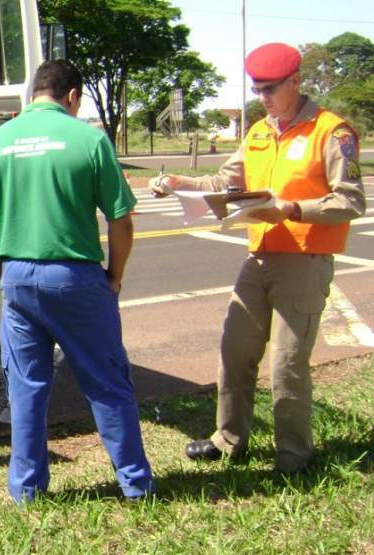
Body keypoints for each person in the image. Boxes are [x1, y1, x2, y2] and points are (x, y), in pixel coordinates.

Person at [149, 42, 366, 473]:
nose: (262, 96)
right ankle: (229, 439)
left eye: (270, 88)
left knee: (286, 363)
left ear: (295, 82)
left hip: (304, 258)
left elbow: (351, 200)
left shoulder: (331, 131)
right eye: (257, 88)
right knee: (234, 350)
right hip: (260, 256)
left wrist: (292, 209)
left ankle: (293, 456)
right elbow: (225, 180)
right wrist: (178, 181)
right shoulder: (260, 132)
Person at [0, 59, 154, 503]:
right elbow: (121, 219)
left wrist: (1, 271)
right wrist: (115, 276)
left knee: (25, 389)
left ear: (34, 93)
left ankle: (27, 491)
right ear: (72, 97)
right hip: (77, 278)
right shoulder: (88, 139)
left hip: (18, 280)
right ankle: (136, 485)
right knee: (107, 384)